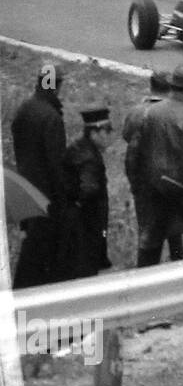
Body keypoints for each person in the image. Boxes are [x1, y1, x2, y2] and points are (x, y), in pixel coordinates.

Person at [128, 64, 183, 266]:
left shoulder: (150, 113)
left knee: (151, 241)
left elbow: (138, 150)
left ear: (171, 87)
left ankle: (142, 284)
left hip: (157, 192)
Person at [11, 65, 68, 289]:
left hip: (24, 186)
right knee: (41, 248)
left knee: (32, 241)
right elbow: (56, 163)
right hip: (47, 194)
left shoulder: (24, 109)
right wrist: (62, 199)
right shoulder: (51, 117)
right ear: (57, 86)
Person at [123, 69, 183, 263]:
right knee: (176, 229)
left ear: (151, 86)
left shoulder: (136, 112)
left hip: (144, 184)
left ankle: (147, 270)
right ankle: (178, 265)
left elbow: (127, 136)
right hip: (171, 181)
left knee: (148, 232)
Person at [58, 106, 113, 280]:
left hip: (73, 218)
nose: (110, 136)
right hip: (87, 220)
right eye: (107, 131)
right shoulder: (89, 158)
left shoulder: (78, 147)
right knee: (86, 265)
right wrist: (82, 204)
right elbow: (89, 188)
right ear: (95, 132)